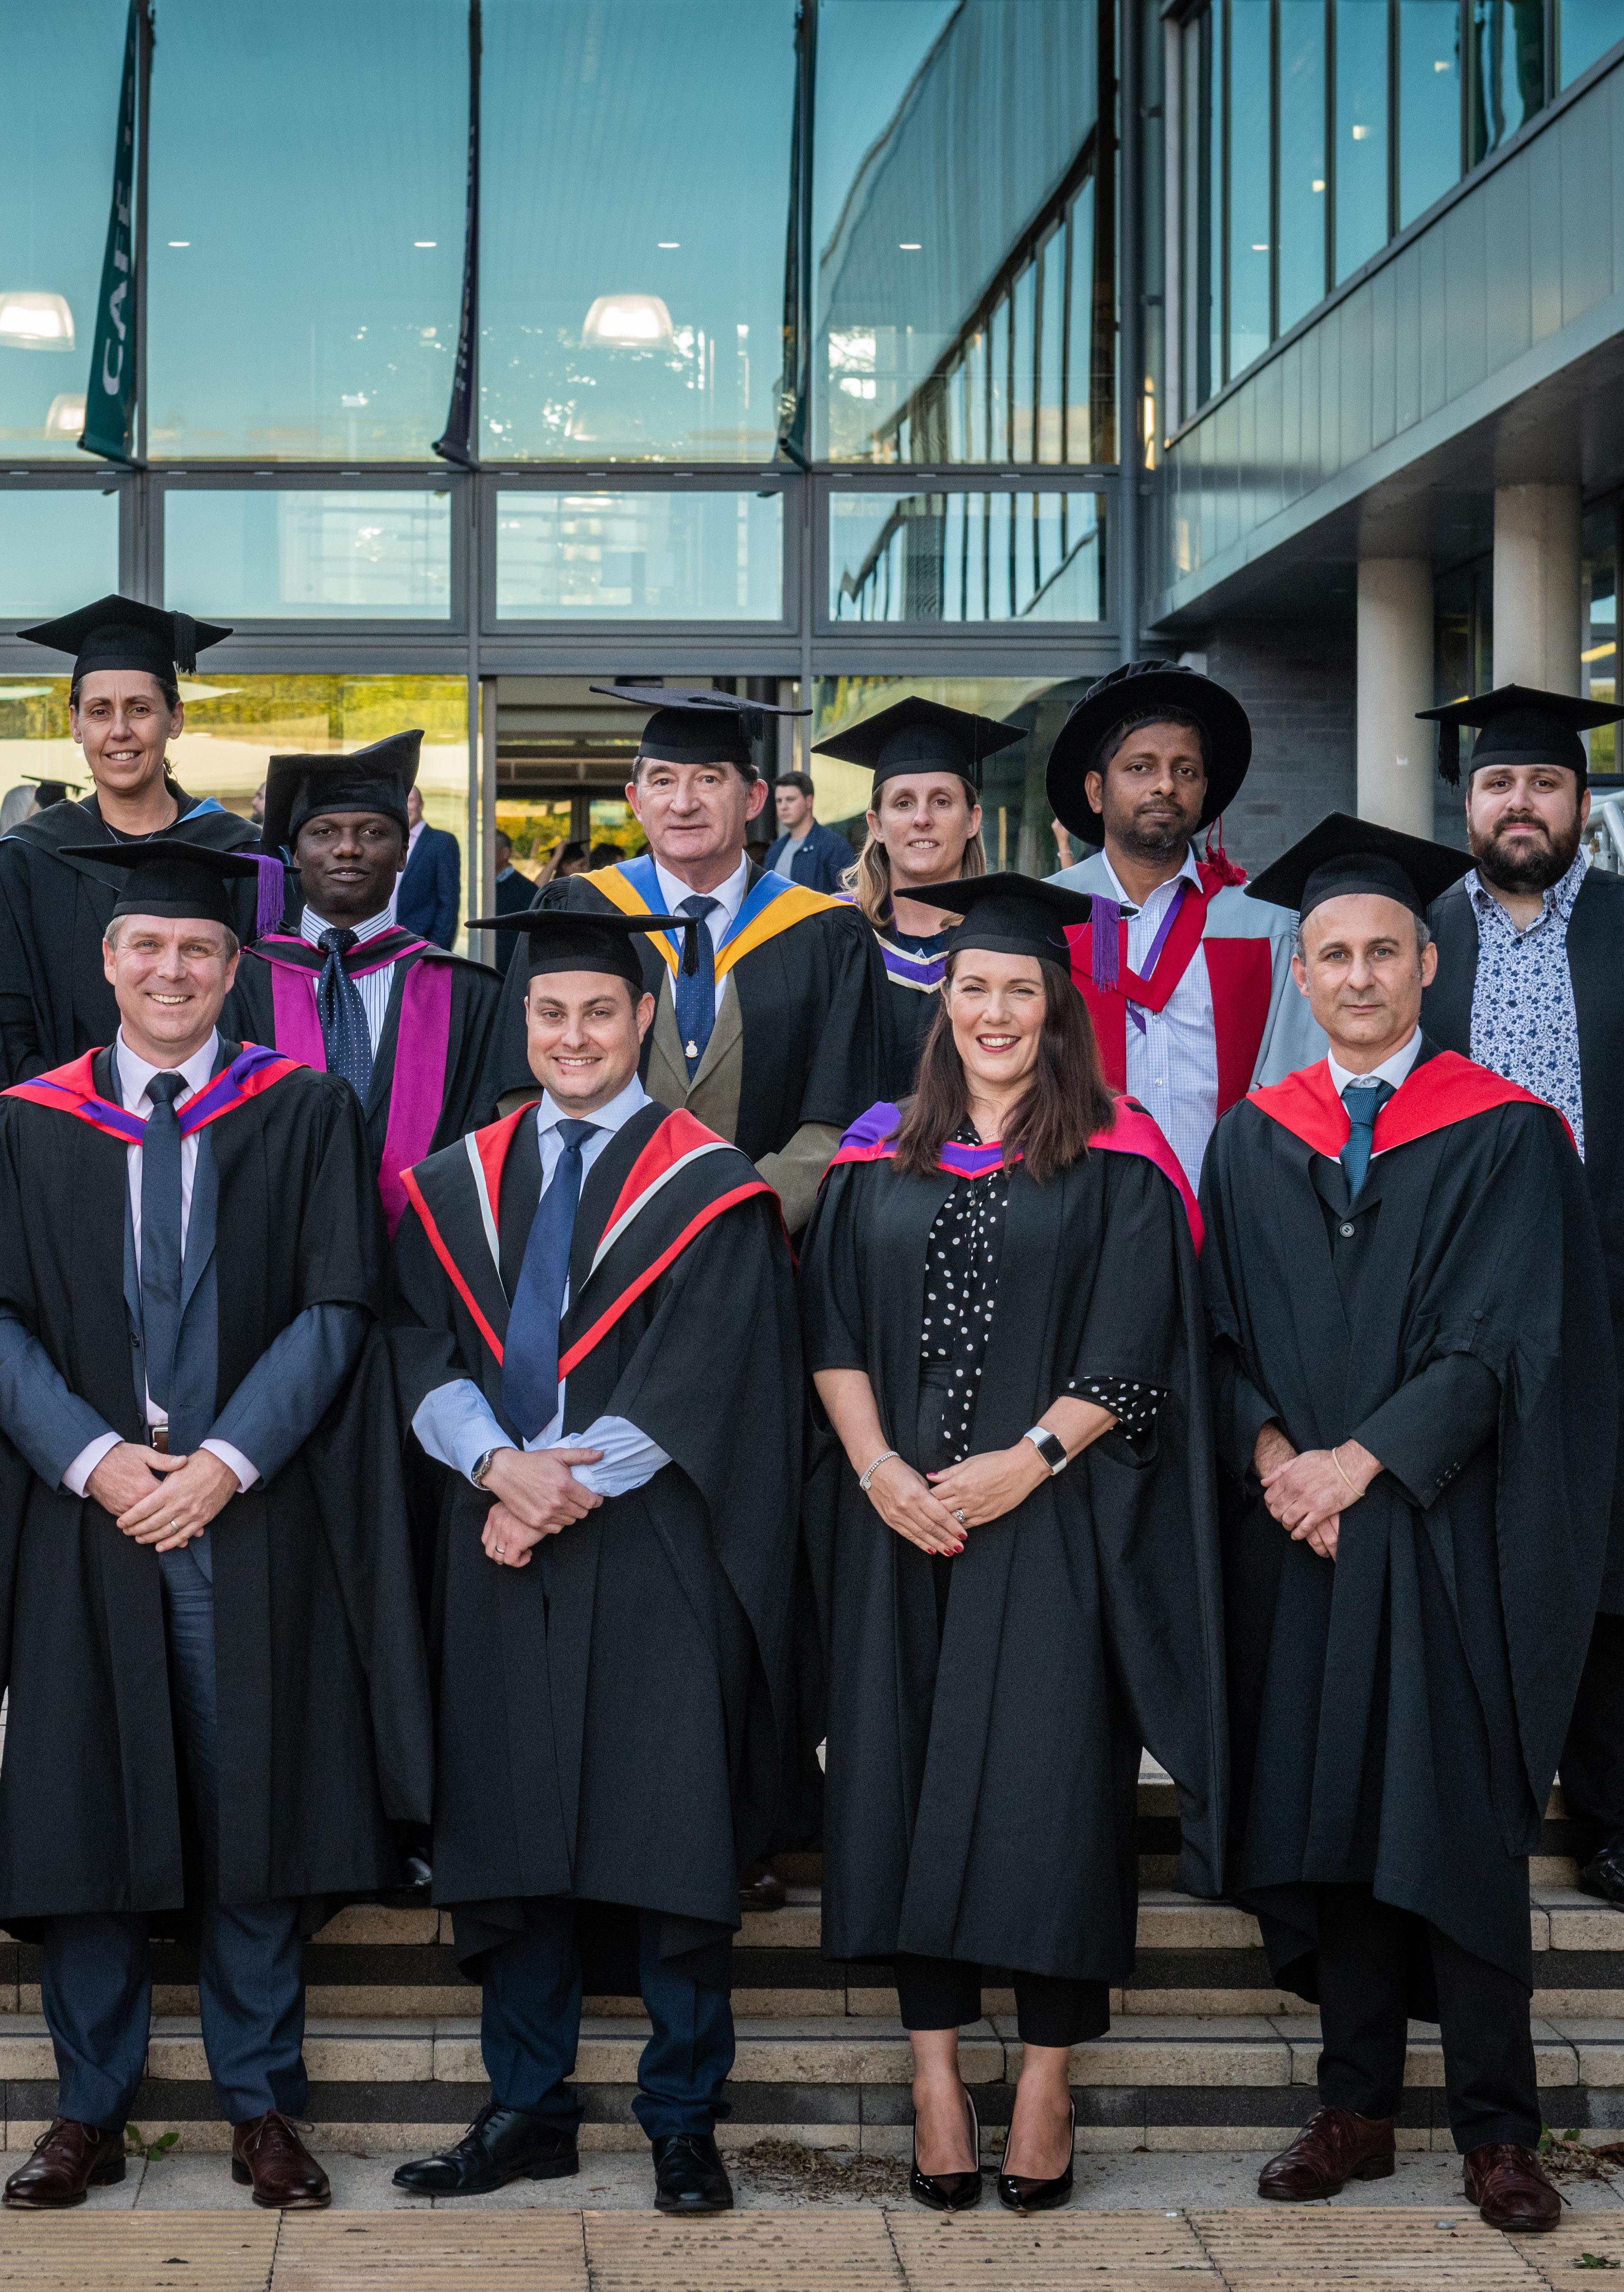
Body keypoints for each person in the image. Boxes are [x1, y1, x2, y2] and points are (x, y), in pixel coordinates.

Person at [0, 840, 431, 2211]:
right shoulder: (27, 1121)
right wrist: (92, 1459)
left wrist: (229, 1460)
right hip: (91, 1518)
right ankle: (87, 2107)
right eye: (148, 946)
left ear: (237, 967)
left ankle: (261, 2104)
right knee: (88, 1805)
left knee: (256, 1801)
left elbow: (338, 1305)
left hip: (247, 1514)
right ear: (107, 961)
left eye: (198, 949)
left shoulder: (303, 1109)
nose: (172, 969)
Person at [1201, 812, 1614, 2233]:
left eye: (1383, 951)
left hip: (1443, 1539)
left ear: (1427, 966)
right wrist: (1273, 1455)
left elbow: (1510, 1340)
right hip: (1299, 1544)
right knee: (1332, 1823)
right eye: (1333, 955)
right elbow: (1214, 1332)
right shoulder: (1251, 1142)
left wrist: (1356, 1464)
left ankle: (1500, 2130)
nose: (1359, 976)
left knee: (1455, 1825)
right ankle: (1354, 2109)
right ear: (1300, 974)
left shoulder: (1506, 1132)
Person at [799, 873, 1225, 2215]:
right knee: (898, 1777)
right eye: (973, 987)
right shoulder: (876, 1150)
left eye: (1020, 989)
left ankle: (1045, 2075)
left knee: (1054, 1785)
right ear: (943, 1005)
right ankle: (934, 2075)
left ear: (1057, 1008)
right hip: (894, 1516)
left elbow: (1137, 1342)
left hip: (1052, 1516)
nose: (994, 1010)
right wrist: (879, 1468)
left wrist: (1025, 1461)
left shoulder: (1118, 1154)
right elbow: (829, 1330)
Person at [388, 906, 801, 2213]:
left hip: (654, 1543)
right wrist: (493, 1466)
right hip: (492, 1532)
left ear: (643, 1023)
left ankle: (683, 2117)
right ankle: (527, 2108)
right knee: (510, 1825)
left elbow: (713, 1363)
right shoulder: (454, 1179)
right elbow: (413, 1340)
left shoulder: (709, 1183)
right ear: (524, 1022)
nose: (574, 1036)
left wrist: (555, 1486)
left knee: (666, 1822)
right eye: (552, 1013)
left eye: (600, 1013)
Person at [1418, 685, 1624, 1911]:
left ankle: (1611, 1812)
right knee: (1463, 1548)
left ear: (1580, 802)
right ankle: (1466, 1808)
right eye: (1499, 782)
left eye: (1544, 782)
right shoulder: (1417, 938)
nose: (1520, 802)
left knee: (1608, 1557)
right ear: (1467, 802)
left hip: (1614, 1289)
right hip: (1456, 1297)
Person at [493, 686, 889, 1239]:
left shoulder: (823, 933)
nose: (682, 804)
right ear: (635, 800)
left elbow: (841, 1111)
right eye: (662, 781)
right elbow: (520, 1086)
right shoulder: (575, 908)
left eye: (707, 779)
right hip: (593, 1236)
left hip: (762, 1240)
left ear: (753, 798)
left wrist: (740, 1215)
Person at [1048, 659, 1325, 1188]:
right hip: (1083, 1206)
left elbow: (1296, 1080)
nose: (1165, 785)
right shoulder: (1053, 915)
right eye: (1140, 768)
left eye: (1185, 771)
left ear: (1203, 792)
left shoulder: (1264, 922)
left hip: (1231, 1207)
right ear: (1095, 791)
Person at [223, 735, 506, 1235]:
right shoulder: (240, 982)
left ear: (403, 853)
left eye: (373, 832)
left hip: (425, 1258)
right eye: (324, 832)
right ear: (295, 853)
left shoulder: (468, 993)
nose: (348, 847)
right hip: (277, 1253)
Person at [0, 597, 277, 1085]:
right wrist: (56, 1115)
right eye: (100, 711)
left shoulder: (242, 854)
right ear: (75, 723)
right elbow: (10, 1025)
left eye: (140, 709)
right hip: (60, 1116)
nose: (120, 731)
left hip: (218, 1113)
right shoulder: (24, 860)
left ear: (176, 719)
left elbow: (267, 1008)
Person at [813, 696, 1019, 1097]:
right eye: (903, 803)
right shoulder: (831, 935)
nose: (922, 818)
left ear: (973, 820)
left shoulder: (1008, 937)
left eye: (941, 801)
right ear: (876, 824)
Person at [396, 783, 461, 949]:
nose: (405, 806)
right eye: (401, 801)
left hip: (422, 945)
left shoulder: (442, 842)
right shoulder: (389, 842)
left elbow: (449, 902)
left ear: (421, 805)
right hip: (386, 943)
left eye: (410, 800)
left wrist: (436, 948)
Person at [764, 771, 851, 894]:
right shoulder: (775, 850)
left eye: (790, 800)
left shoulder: (834, 846)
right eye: (779, 801)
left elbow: (850, 895)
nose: (783, 807)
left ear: (809, 801)